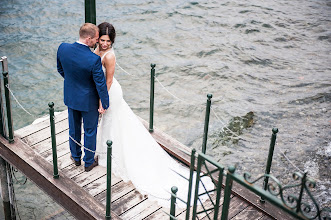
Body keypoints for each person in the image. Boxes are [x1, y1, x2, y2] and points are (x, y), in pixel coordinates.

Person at [95, 22, 213, 207]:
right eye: (102, 40)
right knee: (113, 125)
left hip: (111, 93)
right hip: (105, 91)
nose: (104, 44)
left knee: (113, 122)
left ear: (112, 41)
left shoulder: (109, 56)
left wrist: (103, 100)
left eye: (108, 41)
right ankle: (106, 154)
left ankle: (111, 156)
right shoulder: (98, 49)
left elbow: (108, 80)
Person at [57, 23, 109, 172]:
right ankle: (88, 163)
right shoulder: (93, 59)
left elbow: (60, 69)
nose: (98, 42)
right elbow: (100, 85)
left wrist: (72, 83)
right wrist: (104, 103)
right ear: (88, 39)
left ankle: (75, 157)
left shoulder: (63, 48)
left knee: (73, 128)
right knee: (90, 131)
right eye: (96, 39)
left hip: (71, 97)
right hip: (88, 101)